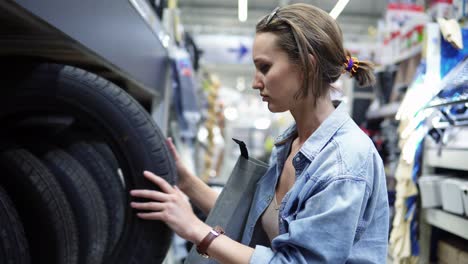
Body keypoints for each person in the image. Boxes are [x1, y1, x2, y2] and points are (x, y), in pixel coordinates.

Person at [130, 3, 389, 263]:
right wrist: (186, 182)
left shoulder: (343, 164)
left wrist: (198, 230)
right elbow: (251, 217)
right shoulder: (293, 142)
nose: (256, 82)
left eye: (264, 67)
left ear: (307, 66)